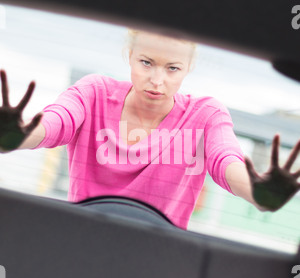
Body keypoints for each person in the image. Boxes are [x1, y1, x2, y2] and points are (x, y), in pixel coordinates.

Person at [0, 29, 299, 230]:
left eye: (172, 68)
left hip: (161, 257)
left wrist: (258, 192)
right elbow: (56, 124)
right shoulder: (93, 93)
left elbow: (226, 161)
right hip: (84, 243)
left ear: (188, 67)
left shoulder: (206, 114)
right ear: (129, 56)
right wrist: (19, 136)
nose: (158, 80)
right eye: (146, 63)